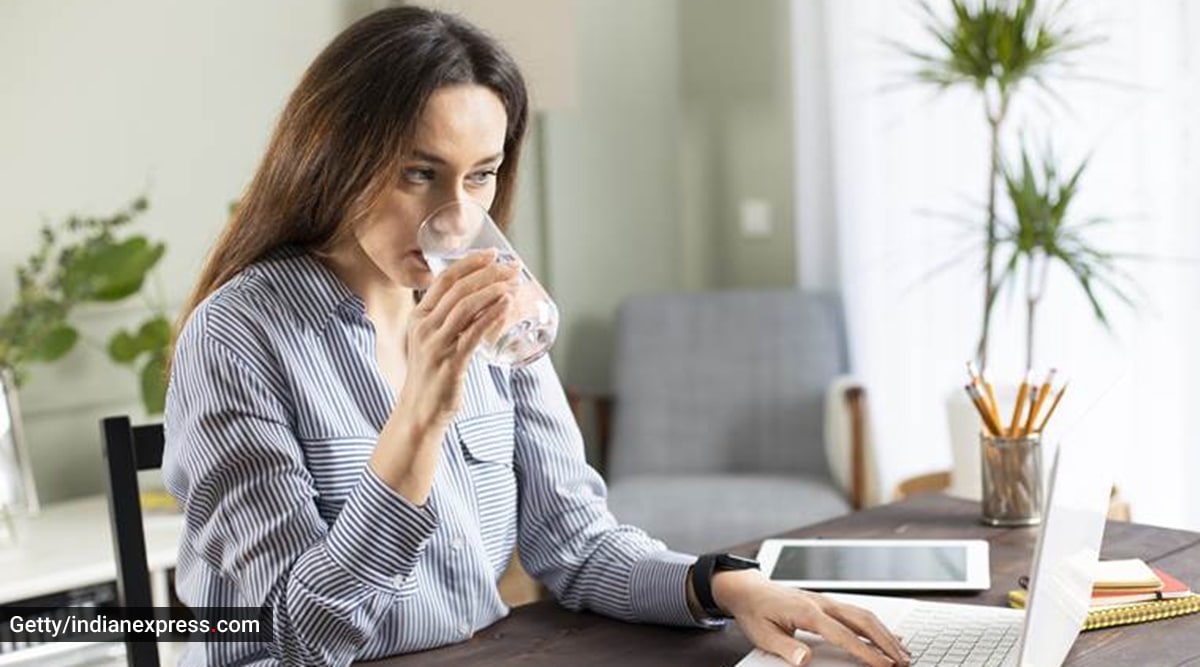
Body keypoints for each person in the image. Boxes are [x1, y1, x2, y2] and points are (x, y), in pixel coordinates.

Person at [163, 7, 911, 667]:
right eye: (419, 174)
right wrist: (420, 417)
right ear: (337, 157)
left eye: (481, 175)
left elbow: (576, 542)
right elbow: (301, 635)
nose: (457, 216)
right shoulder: (237, 337)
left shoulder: (494, 303)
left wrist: (724, 582)